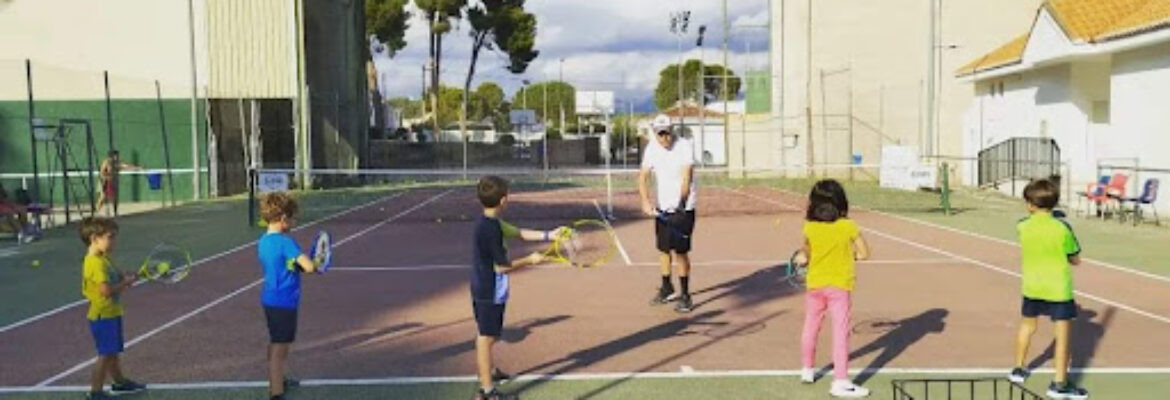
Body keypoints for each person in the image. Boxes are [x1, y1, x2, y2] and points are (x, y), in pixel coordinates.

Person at [471, 176, 562, 400]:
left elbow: (519, 233)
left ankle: (488, 371)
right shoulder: (490, 230)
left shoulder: (490, 222)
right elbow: (502, 268)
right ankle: (487, 391)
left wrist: (550, 235)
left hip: (485, 286)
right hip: (488, 288)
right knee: (487, 337)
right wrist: (530, 261)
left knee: (488, 334)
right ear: (503, 200)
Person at [1008, 179, 1089, 399]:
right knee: (1062, 338)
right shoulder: (1062, 228)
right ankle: (1059, 384)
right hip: (1058, 289)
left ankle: (1018, 368)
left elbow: (1032, 235)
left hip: (1032, 286)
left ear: (1030, 205)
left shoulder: (1022, 225)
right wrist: (1061, 226)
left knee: (1027, 326)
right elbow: (1074, 258)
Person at [797, 179, 871, 398]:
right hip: (839, 286)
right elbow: (864, 253)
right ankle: (840, 381)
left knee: (811, 326)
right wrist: (849, 255)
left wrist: (804, 257)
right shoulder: (848, 226)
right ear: (840, 202)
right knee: (840, 331)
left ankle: (807, 369)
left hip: (814, 285)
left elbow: (806, 252)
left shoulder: (809, 227)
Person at [257, 192, 320, 400]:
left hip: (270, 300)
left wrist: (295, 265)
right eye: (292, 218)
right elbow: (309, 267)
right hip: (284, 302)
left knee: (276, 342)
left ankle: (277, 379)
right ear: (283, 218)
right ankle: (276, 393)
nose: (294, 222)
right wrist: (315, 263)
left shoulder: (264, 241)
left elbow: (284, 264)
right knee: (280, 346)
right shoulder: (286, 243)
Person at [79, 217, 147, 400]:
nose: (114, 242)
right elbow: (106, 291)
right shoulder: (95, 262)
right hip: (103, 315)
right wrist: (125, 283)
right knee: (105, 354)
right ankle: (95, 392)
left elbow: (118, 276)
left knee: (112, 352)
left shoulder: (104, 258)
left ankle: (119, 383)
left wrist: (127, 278)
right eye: (110, 237)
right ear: (94, 238)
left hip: (111, 313)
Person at [638, 115, 698, 313]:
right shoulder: (652, 149)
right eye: (661, 133)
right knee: (663, 250)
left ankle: (686, 295)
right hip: (662, 209)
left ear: (672, 130)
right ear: (655, 133)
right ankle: (667, 287)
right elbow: (643, 177)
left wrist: (681, 203)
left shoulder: (684, 146)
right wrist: (646, 201)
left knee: (681, 252)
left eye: (667, 132)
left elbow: (686, 177)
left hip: (684, 209)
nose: (665, 137)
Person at [95, 150, 141, 215]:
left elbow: (126, 166)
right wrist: (107, 178)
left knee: (115, 197)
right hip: (105, 181)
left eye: (117, 155)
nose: (117, 157)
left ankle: (115, 212)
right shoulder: (106, 162)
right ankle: (96, 211)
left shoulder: (118, 162)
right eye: (116, 155)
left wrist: (138, 168)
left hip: (114, 181)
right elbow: (102, 172)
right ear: (112, 156)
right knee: (103, 196)